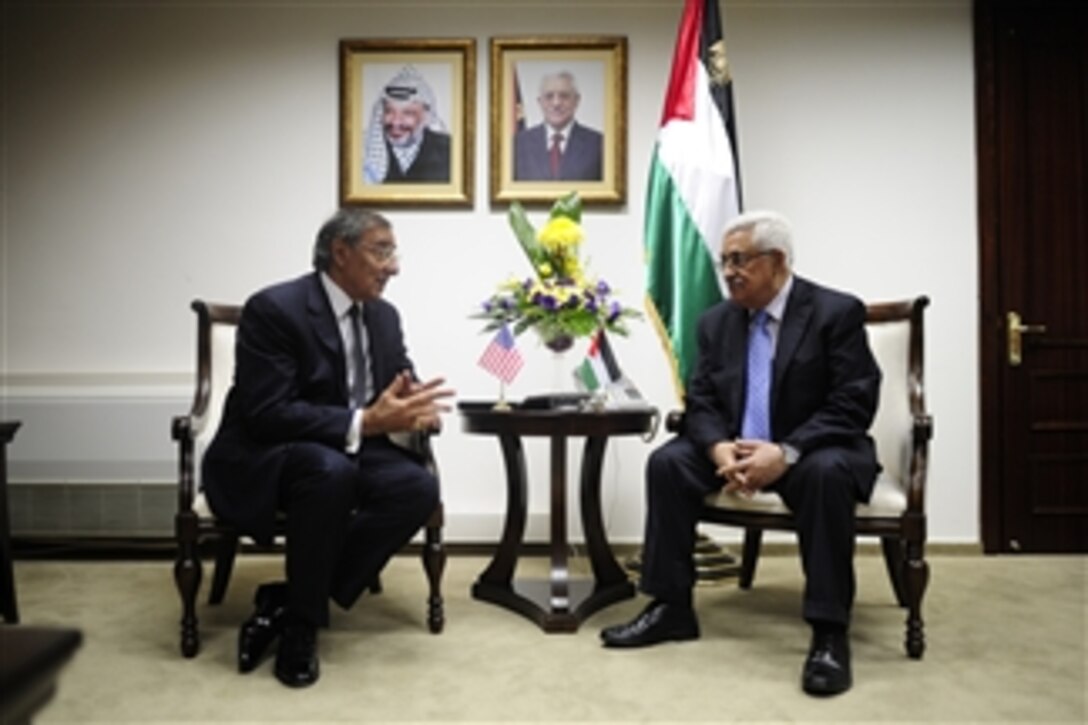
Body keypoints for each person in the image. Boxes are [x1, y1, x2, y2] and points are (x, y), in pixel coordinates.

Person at [599, 211, 881, 697]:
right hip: (736, 449)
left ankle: (829, 631)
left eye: (739, 260)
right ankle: (671, 607)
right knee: (668, 463)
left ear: (776, 262)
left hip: (810, 451)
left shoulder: (835, 313)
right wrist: (717, 447)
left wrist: (786, 452)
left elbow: (853, 403)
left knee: (827, 474)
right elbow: (701, 398)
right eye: (723, 261)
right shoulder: (716, 322)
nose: (728, 271)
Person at [201, 208, 455, 688]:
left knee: (416, 487)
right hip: (267, 453)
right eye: (382, 251)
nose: (394, 266)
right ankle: (302, 626)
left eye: (392, 253)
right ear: (341, 252)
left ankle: (291, 598)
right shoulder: (275, 309)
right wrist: (365, 420)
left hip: (341, 449)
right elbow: (267, 414)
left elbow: (397, 380)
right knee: (328, 470)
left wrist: (413, 409)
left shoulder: (383, 316)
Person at [363, 66, 451, 184]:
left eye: (407, 113)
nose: (396, 122)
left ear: (426, 117)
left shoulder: (450, 150)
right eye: (389, 111)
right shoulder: (363, 150)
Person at [513, 70, 603, 181]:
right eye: (549, 96)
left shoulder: (599, 144)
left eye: (564, 96)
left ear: (576, 101)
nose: (556, 103)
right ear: (540, 102)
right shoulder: (518, 144)